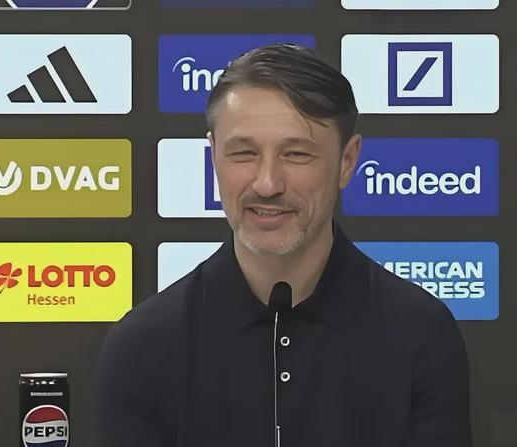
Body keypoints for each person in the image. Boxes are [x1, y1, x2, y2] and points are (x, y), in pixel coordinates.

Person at [91, 44, 472, 447]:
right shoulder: (143, 345)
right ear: (214, 156)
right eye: (244, 153)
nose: (267, 183)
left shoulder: (420, 333)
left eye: (296, 154)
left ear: (347, 161)